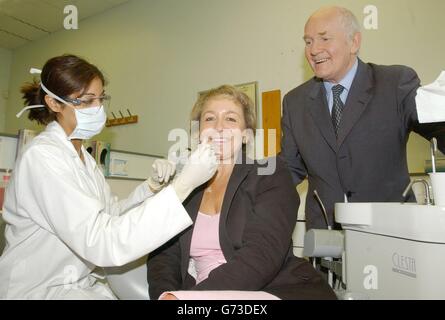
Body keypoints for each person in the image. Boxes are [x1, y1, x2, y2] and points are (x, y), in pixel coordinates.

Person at [0, 54, 218, 299]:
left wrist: (151, 188)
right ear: (54, 103)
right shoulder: (42, 158)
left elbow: (112, 216)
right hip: (37, 289)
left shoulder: (84, 158)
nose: (97, 109)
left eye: (101, 98)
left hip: (77, 285)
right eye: (85, 101)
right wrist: (183, 186)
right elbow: (102, 240)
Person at [146, 85, 336, 300]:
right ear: (198, 132)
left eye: (231, 119)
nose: (219, 127)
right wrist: (165, 295)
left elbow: (261, 256)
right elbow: (163, 255)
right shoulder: (184, 184)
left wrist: (188, 300)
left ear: (246, 135)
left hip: (274, 290)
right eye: (209, 118)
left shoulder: (270, 176)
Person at [281, 6, 445, 230]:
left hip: (392, 234)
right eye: (308, 42)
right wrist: (240, 172)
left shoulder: (395, 83)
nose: (314, 49)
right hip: (326, 241)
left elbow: (437, 128)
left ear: (354, 42)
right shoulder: (294, 102)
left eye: (324, 38)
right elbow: (288, 167)